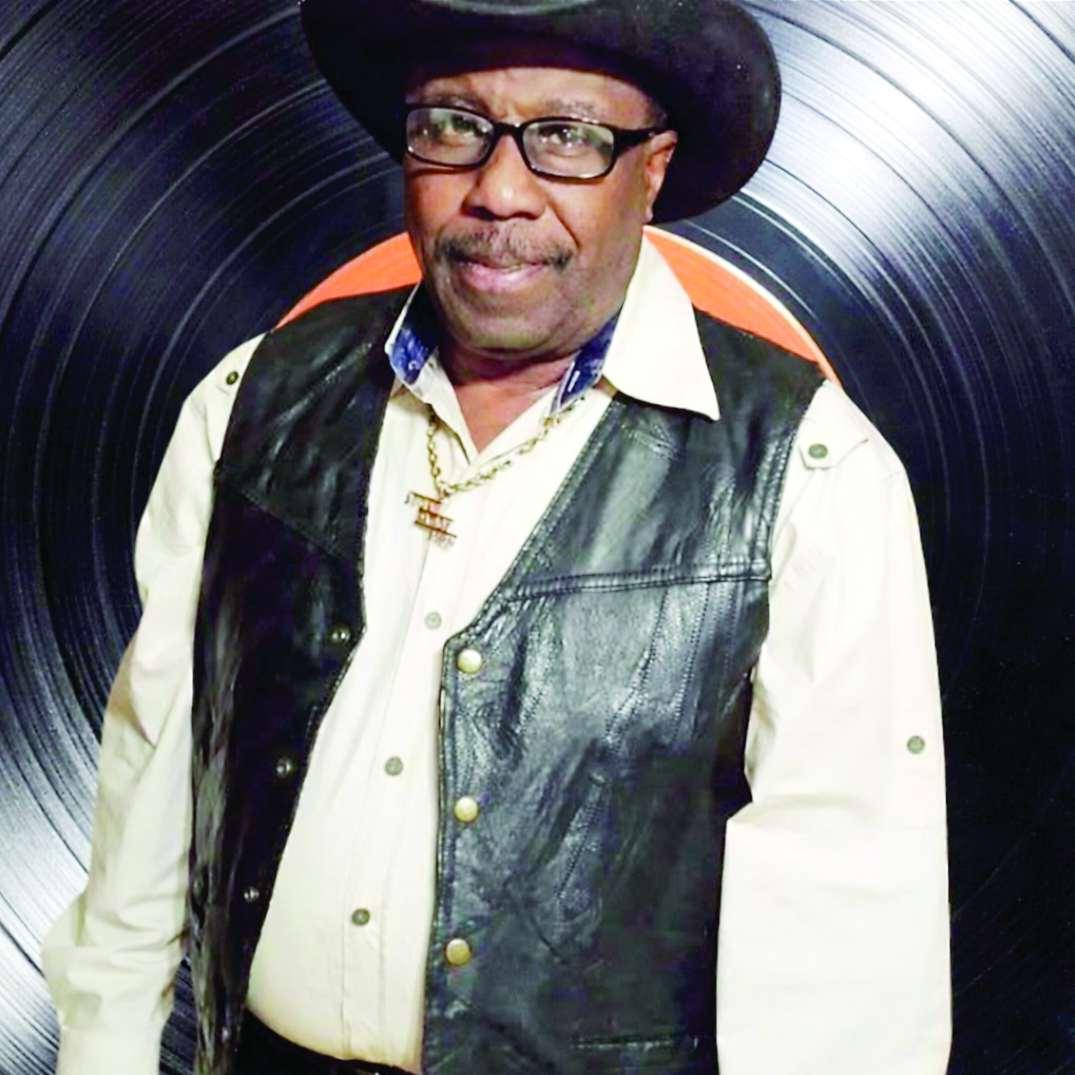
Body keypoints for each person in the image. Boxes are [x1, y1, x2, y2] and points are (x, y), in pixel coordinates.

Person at [42, 1, 951, 1073]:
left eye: (566, 135)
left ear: (651, 170)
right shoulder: (249, 400)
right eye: (453, 126)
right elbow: (151, 785)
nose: (500, 191)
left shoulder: (812, 473)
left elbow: (847, 965)